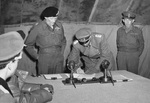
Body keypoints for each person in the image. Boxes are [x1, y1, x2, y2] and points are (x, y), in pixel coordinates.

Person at [0, 31, 54, 103]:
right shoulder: (4, 96)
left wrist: (40, 87)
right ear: (9, 65)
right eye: (17, 61)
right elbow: (17, 100)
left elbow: (19, 85)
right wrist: (44, 94)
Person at [25, 6, 66, 75]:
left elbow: (63, 41)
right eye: (51, 18)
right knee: (44, 80)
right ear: (46, 17)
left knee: (59, 80)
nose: (54, 20)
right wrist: (37, 57)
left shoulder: (59, 26)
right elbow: (28, 45)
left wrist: (61, 53)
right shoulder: (38, 28)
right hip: (44, 58)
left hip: (58, 57)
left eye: (55, 18)